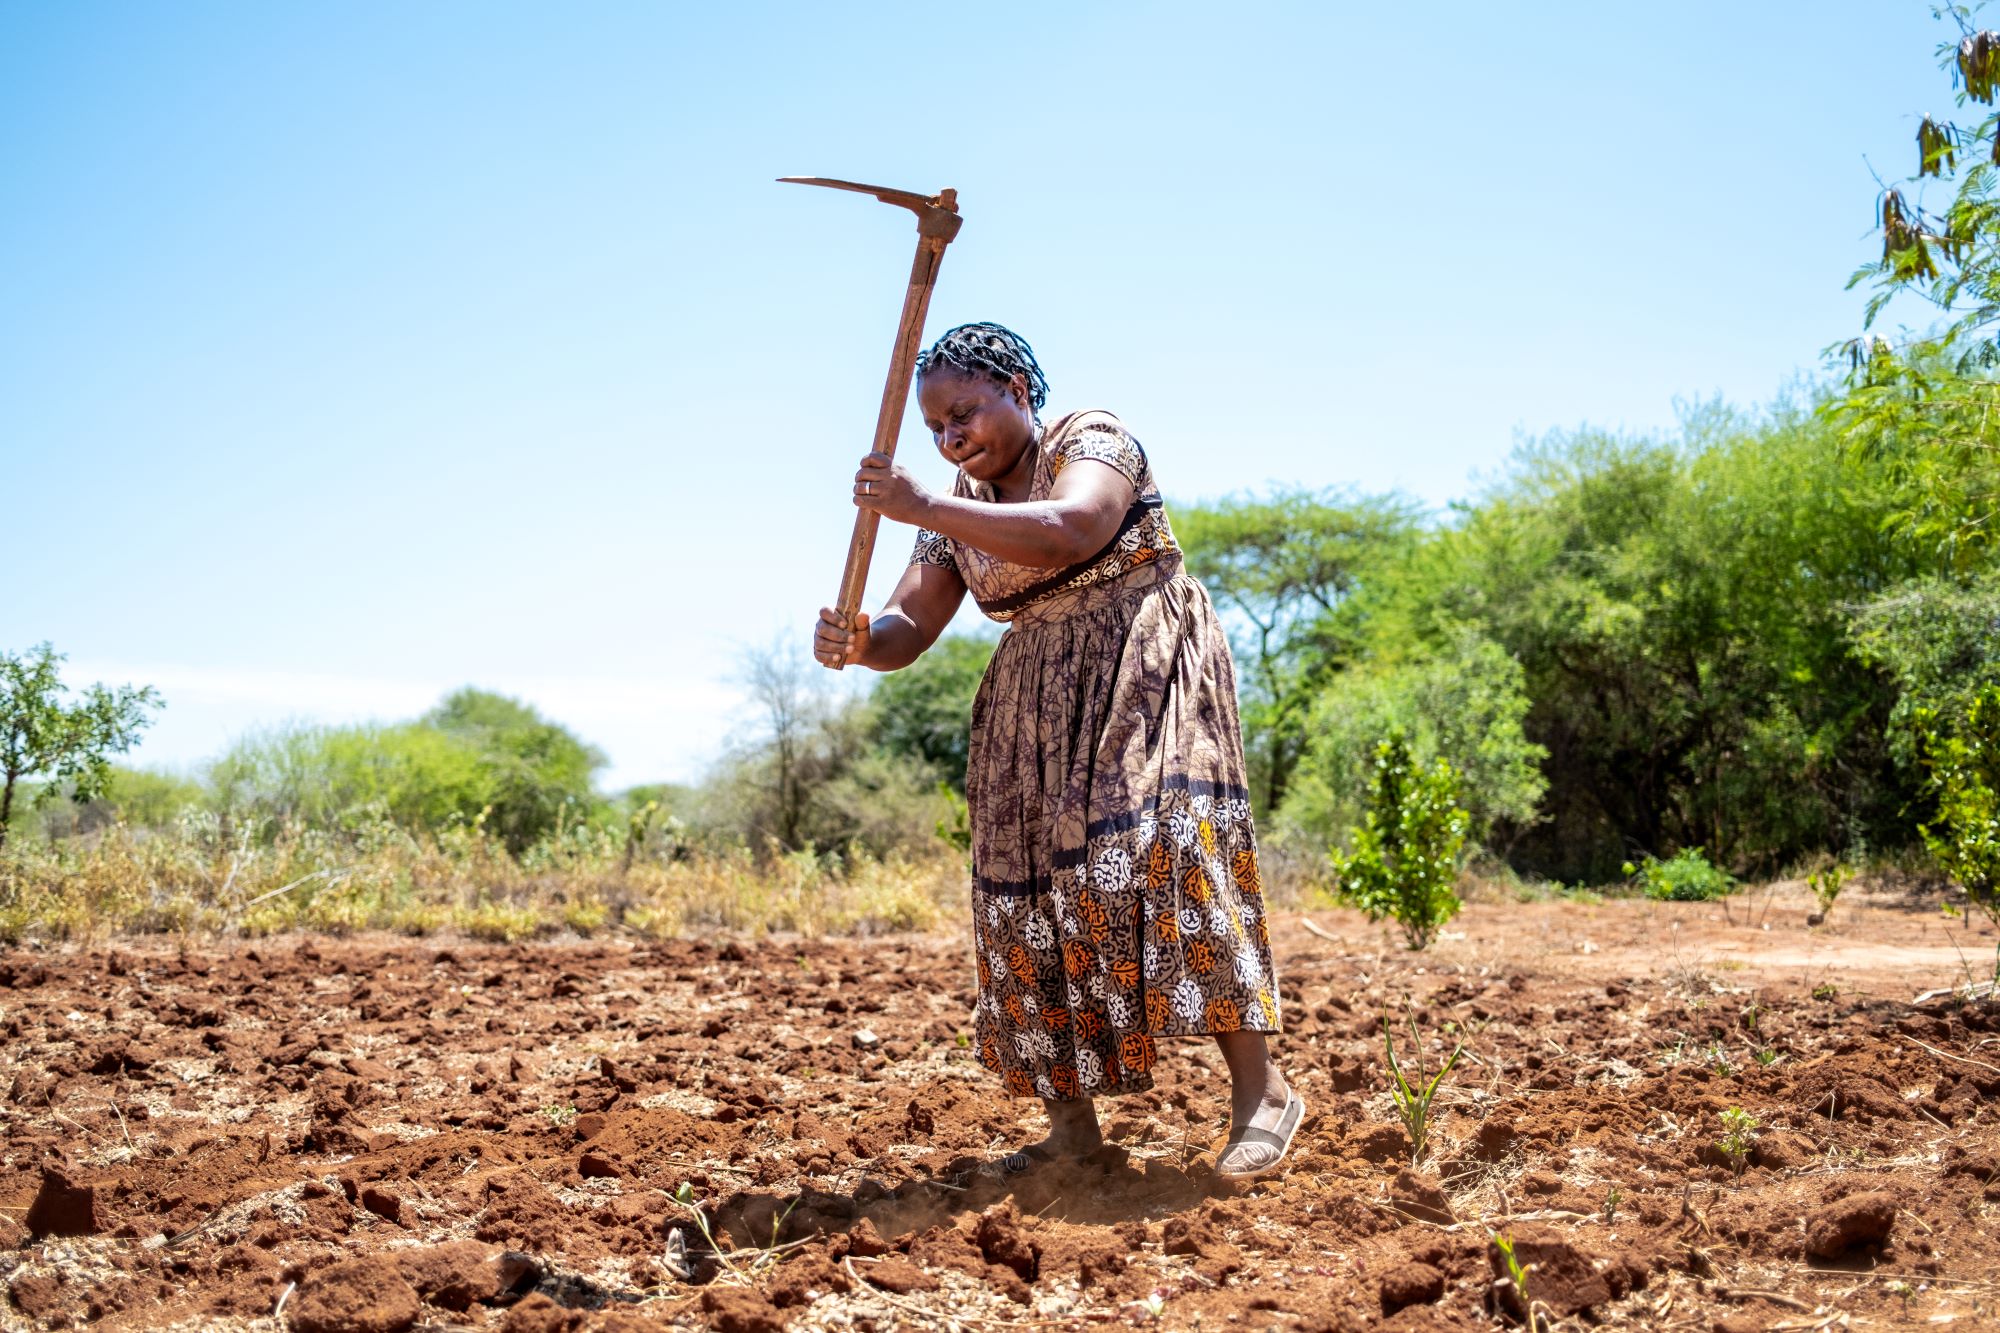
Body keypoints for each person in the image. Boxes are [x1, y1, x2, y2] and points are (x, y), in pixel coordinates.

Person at [812, 322, 1303, 1179]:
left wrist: (923, 500)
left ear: (1019, 392)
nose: (950, 435)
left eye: (964, 411)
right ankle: (1069, 1125)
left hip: (1142, 660)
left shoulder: (1091, 438)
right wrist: (859, 641)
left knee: (1166, 849)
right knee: (1024, 893)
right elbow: (910, 626)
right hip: (1031, 697)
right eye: (935, 426)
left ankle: (1262, 1093)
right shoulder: (957, 509)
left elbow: (1077, 527)